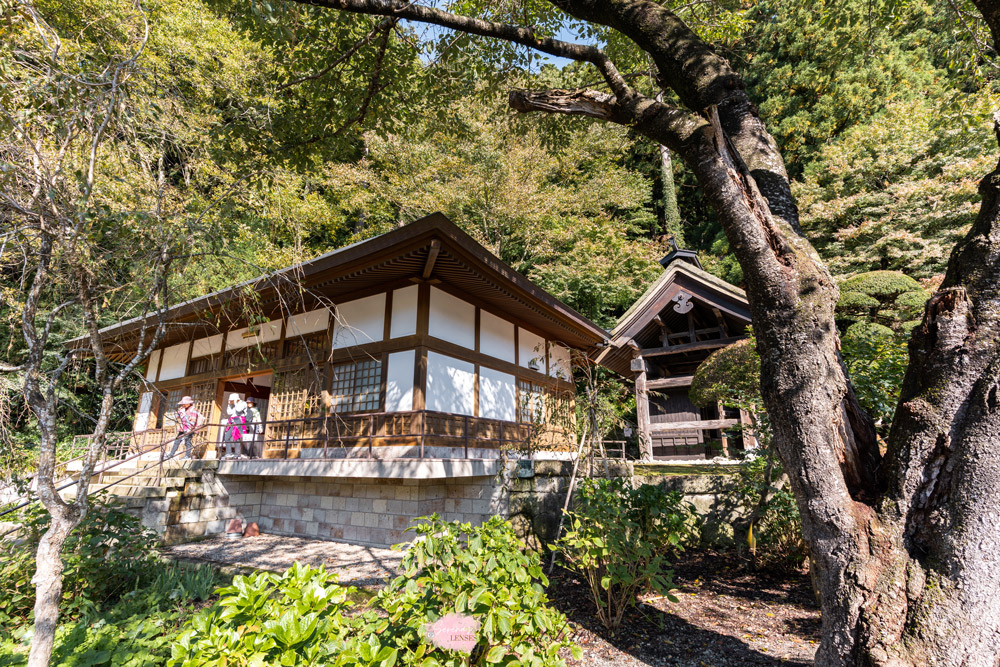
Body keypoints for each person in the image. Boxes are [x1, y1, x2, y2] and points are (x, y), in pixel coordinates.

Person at [165, 396, 203, 461]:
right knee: (177, 441)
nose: (183, 405)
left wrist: (189, 424)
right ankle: (171, 454)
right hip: (182, 428)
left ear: (189, 403)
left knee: (187, 442)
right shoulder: (182, 409)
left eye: (185, 403)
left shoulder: (193, 410)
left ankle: (187, 456)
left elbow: (193, 421)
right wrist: (180, 412)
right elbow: (178, 418)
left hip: (189, 428)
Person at [223, 393, 247, 459]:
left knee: (236, 438)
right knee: (227, 436)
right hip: (232, 420)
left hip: (239, 420)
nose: (232, 401)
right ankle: (229, 453)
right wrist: (229, 405)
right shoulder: (232, 405)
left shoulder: (243, 403)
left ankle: (237, 454)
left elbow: (239, 410)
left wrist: (236, 402)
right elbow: (229, 412)